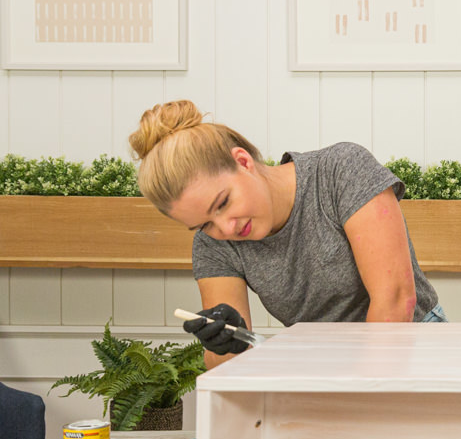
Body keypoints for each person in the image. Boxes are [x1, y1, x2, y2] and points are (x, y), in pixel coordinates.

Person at [129, 100, 444, 369]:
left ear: (243, 161)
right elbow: (229, 368)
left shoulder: (341, 171)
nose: (225, 229)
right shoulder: (215, 245)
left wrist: (355, 401)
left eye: (223, 203)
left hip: (414, 348)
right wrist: (228, 345)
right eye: (204, 224)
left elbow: (396, 300)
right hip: (321, 370)